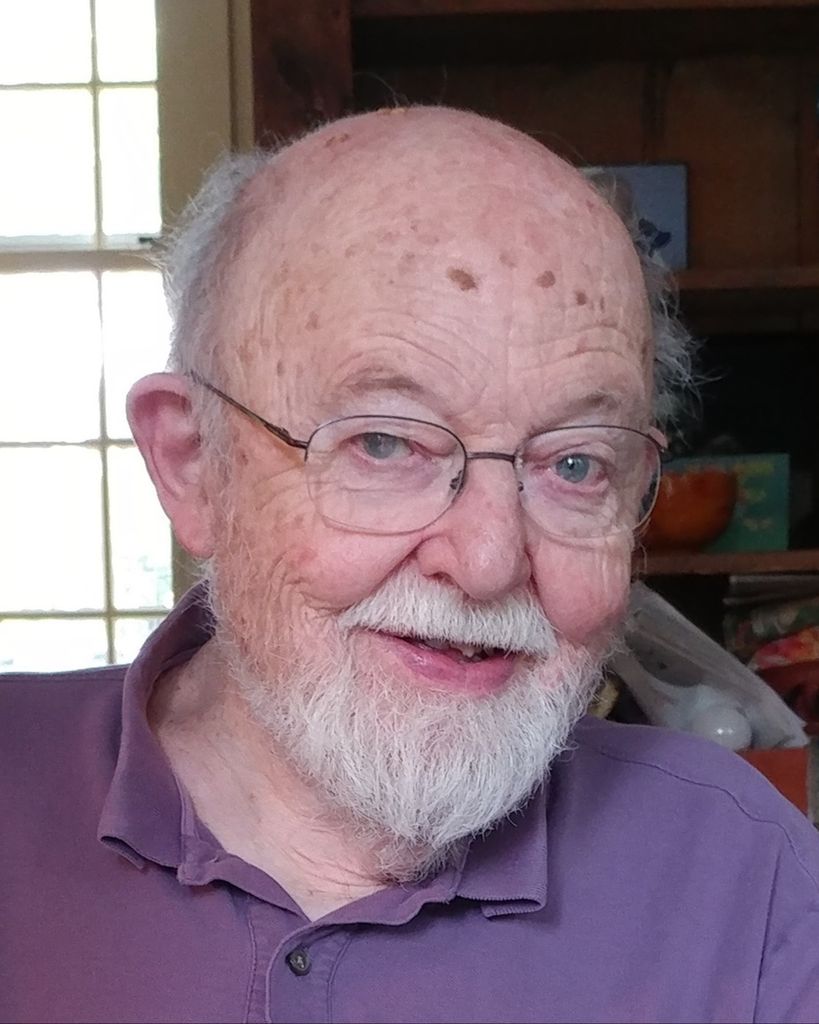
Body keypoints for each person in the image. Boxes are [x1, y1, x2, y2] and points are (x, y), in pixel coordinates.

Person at [2, 106, 818, 1024]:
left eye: (575, 464)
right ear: (193, 464)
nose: (487, 562)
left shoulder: (743, 881)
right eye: (385, 443)